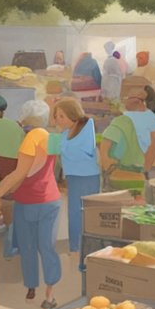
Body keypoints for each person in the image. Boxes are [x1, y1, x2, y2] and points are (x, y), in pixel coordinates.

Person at [0, 100, 63, 308]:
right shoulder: (52, 138)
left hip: (27, 201)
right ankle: (50, 294)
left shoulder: (30, 139)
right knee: (47, 246)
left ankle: (31, 286)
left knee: (28, 247)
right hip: (50, 200)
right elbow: (53, 169)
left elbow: (19, 175)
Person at [54, 98, 100, 265]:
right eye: (56, 116)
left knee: (86, 213)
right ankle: (75, 248)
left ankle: (87, 249)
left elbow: (82, 149)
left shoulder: (87, 126)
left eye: (61, 116)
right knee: (74, 213)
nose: (57, 120)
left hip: (86, 177)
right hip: (73, 176)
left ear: (72, 115)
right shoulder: (66, 133)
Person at [102, 81, 155, 190]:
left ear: (137, 101)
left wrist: (107, 164)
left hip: (120, 170)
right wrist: (147, 167)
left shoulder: (121, 120)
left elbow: (106, 143)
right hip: (140, 171)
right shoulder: (151, 117)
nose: (124, 101)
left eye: (126, 98)